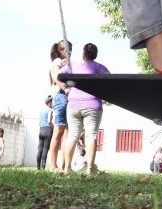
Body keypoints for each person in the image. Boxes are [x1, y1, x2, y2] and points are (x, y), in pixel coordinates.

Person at [59, 42, 109, 176]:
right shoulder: (99, 67)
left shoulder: (73, 65)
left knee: (72, 136)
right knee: (91, 136)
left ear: (83, 53)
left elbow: (59, 75)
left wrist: (65, 87)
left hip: (74, 104)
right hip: (92, 105)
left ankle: (67, 169)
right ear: (95, 55)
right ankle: (89, 169)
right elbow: (109, 81)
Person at [47, 40, 72, 172]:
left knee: (68, 133)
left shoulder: (68, 64)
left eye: (68, 50)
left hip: (69, 98)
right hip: (61, 97)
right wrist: (64, 88)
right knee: (58, 131)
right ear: (58, 50)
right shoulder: (57, 62)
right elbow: (56, 77)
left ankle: (65, 166)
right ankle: (53, 166)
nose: (66, 52)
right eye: (63, 49)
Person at [36, 95, 54, 170]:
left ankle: (38, 168)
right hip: (48, 130)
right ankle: (43, 168)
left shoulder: (41, 111)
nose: (52, 104)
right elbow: (49, 121)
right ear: (49, 103)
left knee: (40, 149)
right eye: (52, 102)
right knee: (45, 149)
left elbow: (39, 123)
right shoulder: (50, 110)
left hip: (41, 130)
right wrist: (54, 127)